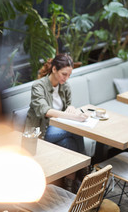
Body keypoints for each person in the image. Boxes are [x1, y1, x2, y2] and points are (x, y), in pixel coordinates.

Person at [26, 54, 89, 192]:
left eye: (68, 75)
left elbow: (68, 106)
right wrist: (73, 118)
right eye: (64, 74)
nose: (66, 78)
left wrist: (71, 109)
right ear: (54, 69)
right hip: (40, 132)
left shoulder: (64, 86)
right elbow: (45, 110)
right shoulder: (38, 86)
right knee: (74, 128)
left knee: (69, 144)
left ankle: (69, 187)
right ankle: (85, 171)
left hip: (58, 130)